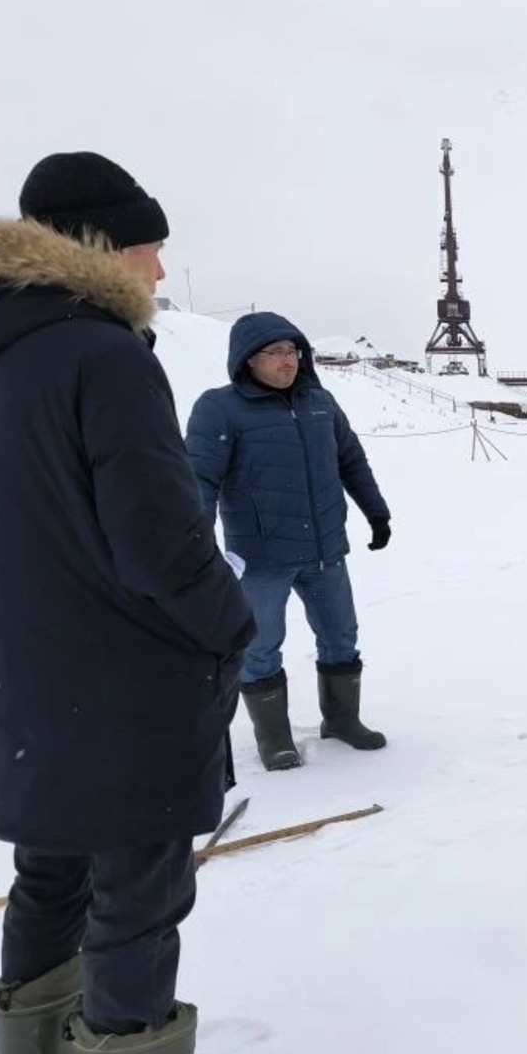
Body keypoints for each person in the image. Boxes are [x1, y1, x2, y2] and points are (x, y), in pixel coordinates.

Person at [0, 152, 274, 1054]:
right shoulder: (106, 356)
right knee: (135, 900)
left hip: (26, 679)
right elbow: (161, 544)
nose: (159, 272)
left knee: (52, 876)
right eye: (149, 250)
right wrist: (231, 627)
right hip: (126, 686)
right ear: (97, 249)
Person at [186, 311, 392, 771]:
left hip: (325, 550)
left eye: (293, 350)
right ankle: (274, 737)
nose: (288, 361)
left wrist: (375, 510)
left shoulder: (320, 402)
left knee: (341, 637)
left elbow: (351, 459)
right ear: (248, 360)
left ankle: (342, 720)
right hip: (261, 557)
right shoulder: (219, 408)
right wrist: (197, 547)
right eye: (275, 352)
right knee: (260, 646)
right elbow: (198, 481)